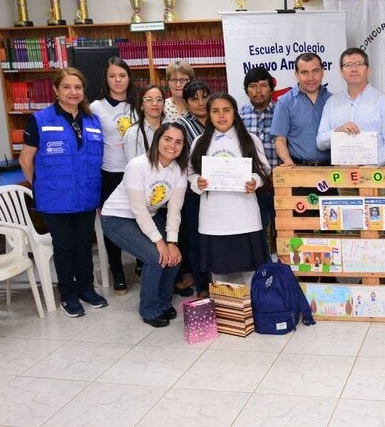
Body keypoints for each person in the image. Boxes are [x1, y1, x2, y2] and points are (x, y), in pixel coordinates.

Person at [19, 68, 108, 317]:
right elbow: (26, 159)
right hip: (55, 200)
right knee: (64, 247)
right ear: (56, 90)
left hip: (86, 197)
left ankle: (86, 289)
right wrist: (41, 186)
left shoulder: (92, 121)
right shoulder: (41, 120)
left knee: (83, 246)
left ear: (83, 91)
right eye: (67, 87)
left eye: (77, 87)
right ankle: (69, 295)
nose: (73, 92)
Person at [101, 123, 189, 327]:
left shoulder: (179, 170)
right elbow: (138, 208)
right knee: (155, 257)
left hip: (147, 216)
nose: (172, 145)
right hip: (117, 217)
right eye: (167, 139)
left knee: (173, 257)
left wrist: (172, 242)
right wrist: (160, 242)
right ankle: (149, 309)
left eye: (178, 142)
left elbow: (175, 209)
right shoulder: (137, 165)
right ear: (157, 139)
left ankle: (164, 302)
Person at [189, 93, 270, 285]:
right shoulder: (200, 142)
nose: (221, 116)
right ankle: (225, 311)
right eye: (215, 111)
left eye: (226, 110)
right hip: (214, 219)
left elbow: (265, 170)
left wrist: (255, 181)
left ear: (235, 113)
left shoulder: (250, 139)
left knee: (251, 271)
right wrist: (197, 182)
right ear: (209, 115)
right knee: (218, 273)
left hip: (245, 217)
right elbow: (190, 173)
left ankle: (252, 310)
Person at [90, 57, 136, 295]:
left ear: (129, 78)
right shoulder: (96, 108)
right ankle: (117, 272)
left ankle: (141, 262)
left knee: (142, 218)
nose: (118, 80)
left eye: (122, 75)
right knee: (112, 224)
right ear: (106, 79)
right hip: (110, 173)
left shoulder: (137, 103)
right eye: (112, 76)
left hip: (137, 172)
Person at [317, 48, 385, 168]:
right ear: (341, 72)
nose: (354, 69)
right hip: (342, 174)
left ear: (368, 70)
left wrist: (368, 162)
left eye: (359, 64)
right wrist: (337, 131)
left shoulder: (384, 102)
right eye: (348, 65)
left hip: (376, 173)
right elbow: (320, 142)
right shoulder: (331, 103)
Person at [240, 66, 277, 259]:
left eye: (263, 85)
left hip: (279, 184)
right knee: (258, 230)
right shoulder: (239, 115)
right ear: (246, 90)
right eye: (253, 86)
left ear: (271, 88)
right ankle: (262, 271)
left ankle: (285, 271)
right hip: (253, 185)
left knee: (282, 229)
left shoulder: (282, 111)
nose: (258, 90)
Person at [177, 80, 210, 297]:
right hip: (194, 191)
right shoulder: (182, 125)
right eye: (194, 99)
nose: (200, 103)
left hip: (219, 191)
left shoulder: (219, 118)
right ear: (186, 102)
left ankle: (220, 282)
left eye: (204, 97)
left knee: (215, 237)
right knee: (196, 239)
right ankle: (202, 286)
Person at [270, 53, 333, 167]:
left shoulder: (332, 100)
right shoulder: (285, 102)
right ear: (296, 74)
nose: (311, 78)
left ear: (322, 72)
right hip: (298, 168)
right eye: (304, 72)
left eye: (315, 71)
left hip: (330, 170)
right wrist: (288, 162)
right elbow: (280, 140)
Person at [124, 85, 164, 160]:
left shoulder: (170, 129)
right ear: (141, 106)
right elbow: (134, 166)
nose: (155, 103)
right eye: (149, 100)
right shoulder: (133, 133)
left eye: (159, 99)